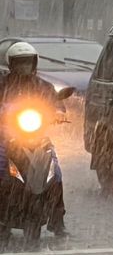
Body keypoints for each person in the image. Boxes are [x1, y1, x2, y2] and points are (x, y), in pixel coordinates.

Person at [0, 42, 67, 237]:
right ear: (11, 65)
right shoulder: (2, 84)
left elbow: (57, 103)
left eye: (27, 63)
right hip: (5, 136)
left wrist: (58, 112)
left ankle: (57, 219)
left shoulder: (43, 86)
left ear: (34, 64)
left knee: (55, 171)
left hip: (35, 136)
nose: (24, 67)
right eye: (20, 63)